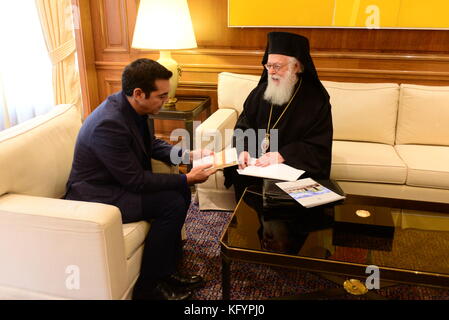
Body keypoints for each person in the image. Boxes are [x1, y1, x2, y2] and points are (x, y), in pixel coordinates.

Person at [65, 58, 215, 300]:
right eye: (162, 96)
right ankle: (149, 288)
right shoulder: (109, 124)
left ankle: (167, 270)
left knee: (180, 192)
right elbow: (136, 181)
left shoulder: (134, 108)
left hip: (118, 183)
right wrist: (187, 177)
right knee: (172, 201)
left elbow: (151, 144)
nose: (166, 101)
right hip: (97, 195)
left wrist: (188, 155)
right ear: (138, 93)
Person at [224, 32, 333, 202]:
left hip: (292, 166)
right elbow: (244, 126)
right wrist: (243, 149)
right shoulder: (260, 93)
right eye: (268, 66)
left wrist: (283, 155)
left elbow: (318, 145)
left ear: (296, 66)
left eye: (277, 66)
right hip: (257, 164)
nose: (272, 72)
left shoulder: (316, 101)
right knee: (241, 177)